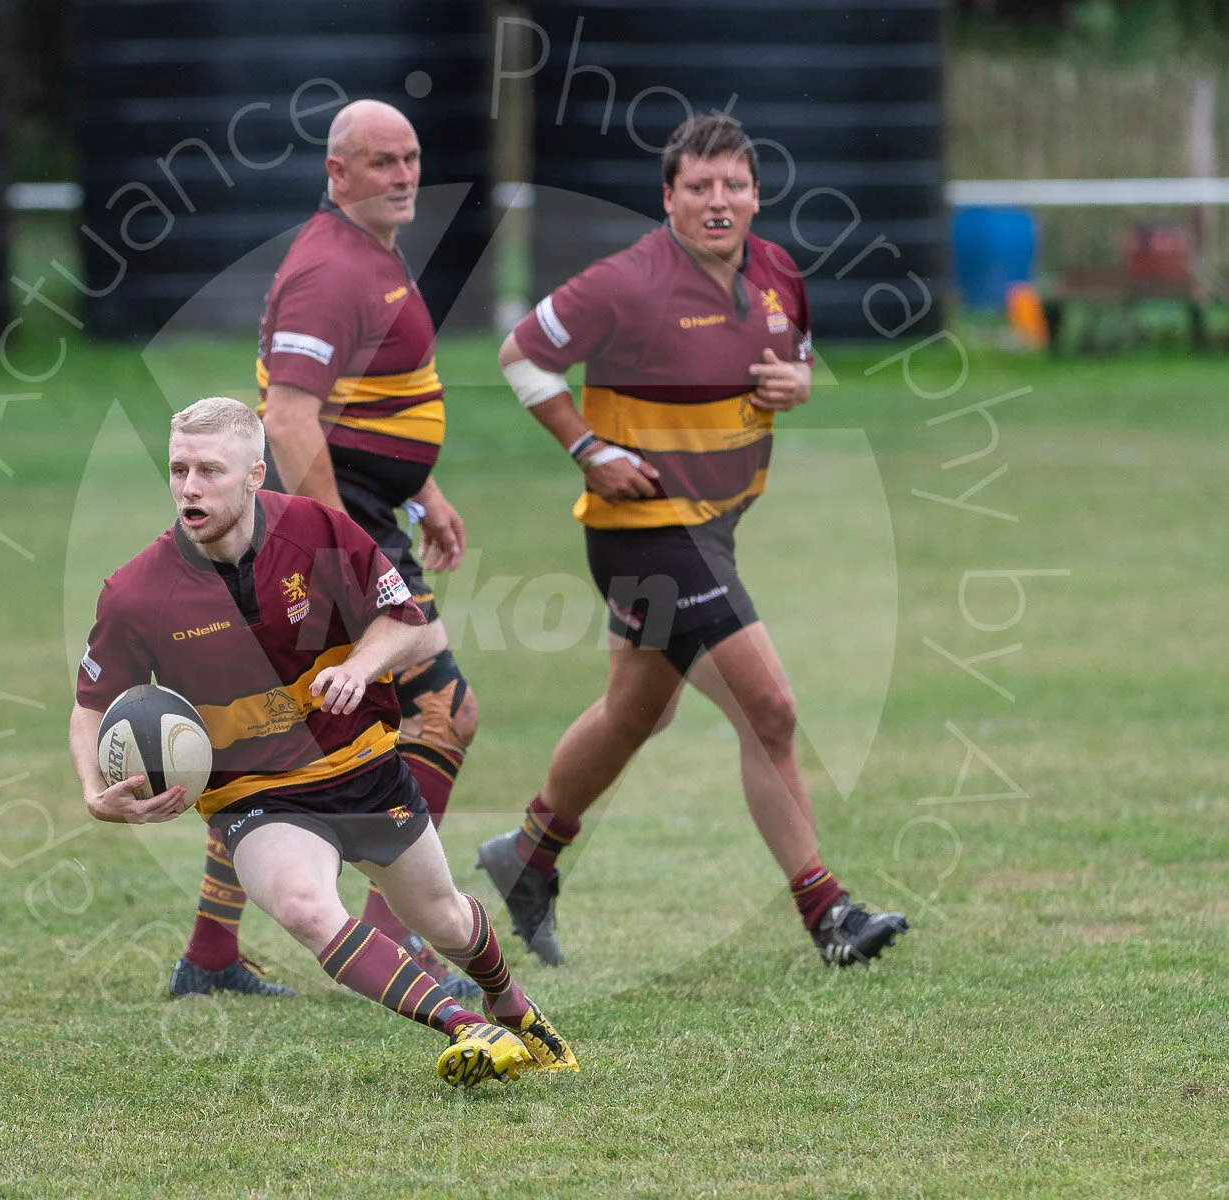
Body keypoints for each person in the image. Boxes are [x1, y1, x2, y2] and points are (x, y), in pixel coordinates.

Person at [477, 113, 909, 969]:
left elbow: (795, 358)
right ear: (668, 198)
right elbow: (521, 354)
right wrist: (588, 449)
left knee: (639, 711)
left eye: (734, 185)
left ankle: (528, 853)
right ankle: (827, 911)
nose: (719, 201)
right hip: (648, 533)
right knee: (770, 710)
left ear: (756, 195)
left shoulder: (777, 270)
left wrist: (799, 383)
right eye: (700, 186)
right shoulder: (626, 282)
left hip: (714, 529)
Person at [68, 398, 576, 1088]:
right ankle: (465, 1027)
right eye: (179, 469)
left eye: (210, 471)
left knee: (445, 918)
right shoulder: (137, 594)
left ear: (255, 475)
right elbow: (92, 704)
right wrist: (94, 794)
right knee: (306, 908)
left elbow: (405, 620)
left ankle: (510, 1004)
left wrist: (360, 667)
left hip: (363, 767)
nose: (189, 488)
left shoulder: (316, 530)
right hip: (256, 796)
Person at [170, 100, 484, 1002]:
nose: (403, 175)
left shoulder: (372, 251)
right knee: (442, 712)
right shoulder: (329, 268)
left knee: (279, 734)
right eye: (382, 162)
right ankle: (398, 930)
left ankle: (212, 956)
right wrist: (341, 547)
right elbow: (289, 416)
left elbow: (372, 398)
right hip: (330, 525)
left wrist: (422, 488)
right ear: (336, 173)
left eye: (411, 157)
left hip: (368, 511)